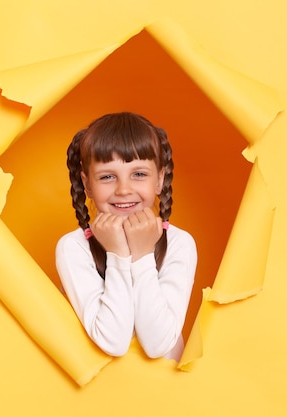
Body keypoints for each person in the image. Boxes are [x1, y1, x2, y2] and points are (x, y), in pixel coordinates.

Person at [55, 112, 197, 361]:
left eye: (139, 174)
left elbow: (158, 345)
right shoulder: (73, 247)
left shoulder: (179, 243)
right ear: (87, 184)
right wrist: (117, 254)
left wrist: (142, 255)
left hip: (169, 393)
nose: (123, 190)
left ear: (159, 180)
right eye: (107, 177)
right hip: (101, 393)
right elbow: (114, 341)